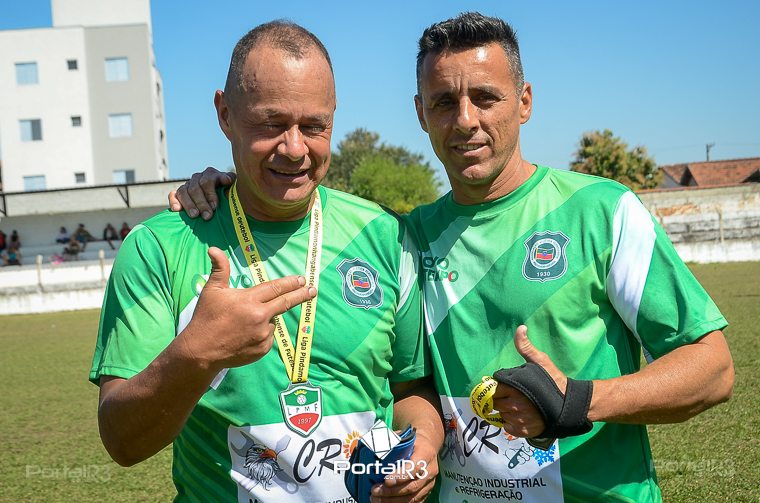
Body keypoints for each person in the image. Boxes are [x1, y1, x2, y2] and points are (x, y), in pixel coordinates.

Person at [172, 12, 735, 502]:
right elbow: (407, 384)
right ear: (421, 113)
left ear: (525, 101)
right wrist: (223, 187)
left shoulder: (602, 211)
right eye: (444, 102)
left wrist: (581, 400)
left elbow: (712, 369)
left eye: (485, 97)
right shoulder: (405, 236)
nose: (465, 119)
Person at [91, 21, 442, 503]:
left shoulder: (384, 234)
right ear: (225, 114)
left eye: (314, 126)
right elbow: (122, 441)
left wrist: (423, 447)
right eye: (271, 124)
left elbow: (410, 389)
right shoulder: (157, 247)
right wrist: (199, 353)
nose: (294, 149)